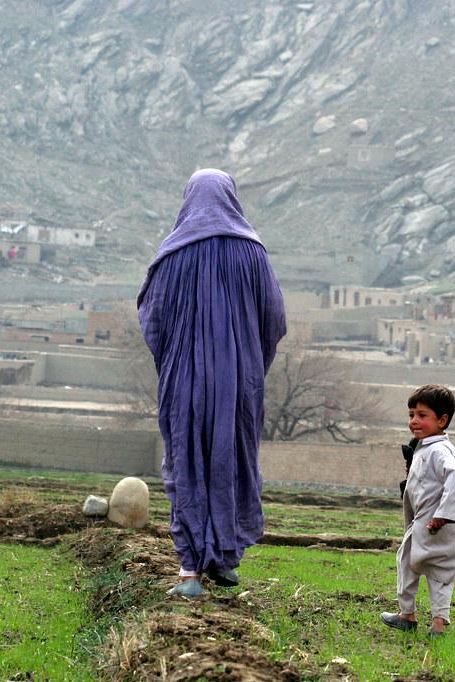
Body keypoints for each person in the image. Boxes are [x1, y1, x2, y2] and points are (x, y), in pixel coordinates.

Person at [137, 169, 286, 597]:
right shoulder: (253, 253)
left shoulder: (173, 254)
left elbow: (153, 318)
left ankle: (191, 573)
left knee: (187, 461)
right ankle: (225, 557)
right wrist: (250, 362)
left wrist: (176, 360)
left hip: (184, 382)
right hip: (239, 383)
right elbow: (274, 319)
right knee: (231, 460)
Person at [380, 384, 455, 637]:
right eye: (411, 415)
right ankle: (423, 619)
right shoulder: (426, 447)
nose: (414, 421)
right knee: (425, 567)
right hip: (427, 522)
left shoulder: (439, 450)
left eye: (422, 415)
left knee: (427, 568)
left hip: (435, 522)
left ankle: (416, 617)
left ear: (442, 420)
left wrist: (442, 515)